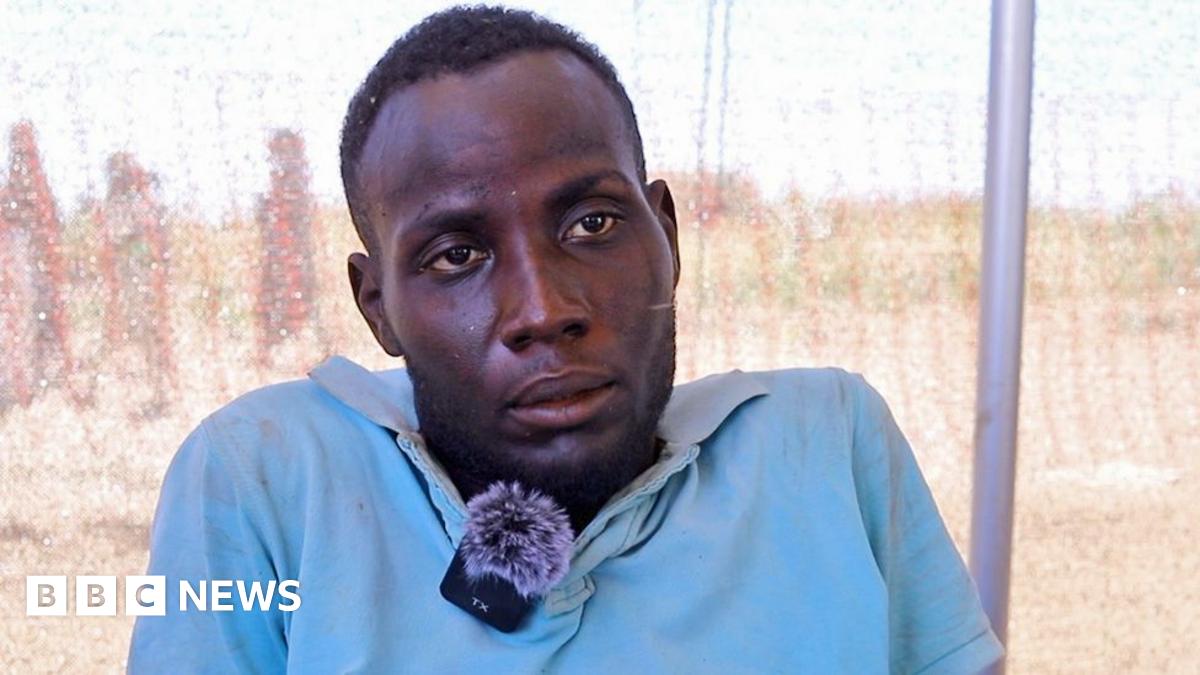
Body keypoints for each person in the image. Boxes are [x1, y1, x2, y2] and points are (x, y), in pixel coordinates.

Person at [129, 6, 1003, 673]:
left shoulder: (823, 446)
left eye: (591, 223)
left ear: (666, 233)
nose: (543, 309)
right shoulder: (271, 476)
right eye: (457, 253)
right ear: (378, 306)